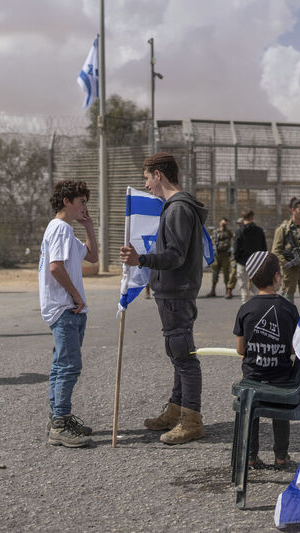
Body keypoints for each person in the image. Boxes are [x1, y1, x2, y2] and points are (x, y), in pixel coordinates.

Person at [119, 152, 209, 445]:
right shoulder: (174, 207)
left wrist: (141, 259)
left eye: (147, 178)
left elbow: (175, 256)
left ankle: (191, 420)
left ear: (158, 175)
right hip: (173, 292)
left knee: (184, 355)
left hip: (177, 292)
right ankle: (176, 409)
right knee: (177, 353)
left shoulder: (178, 209)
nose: (146, 185)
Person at [38, 180, 98, 447]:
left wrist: (88, 227)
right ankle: (60, 423)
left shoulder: (65, 231)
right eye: (81, 201)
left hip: (66, 308)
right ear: (67, 201)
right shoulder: (60, 228)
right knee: (69, 366)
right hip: (65, 308)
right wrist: (75, 295)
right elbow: (55, 268)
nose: (84, 207)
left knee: (60, 364)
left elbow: (93, 257)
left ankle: (58, 418)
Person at [233, 251, 300, 469]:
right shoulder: (289, 309)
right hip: (281, 381)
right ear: (277, 277)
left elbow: (241, 350)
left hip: (253, 379)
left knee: (250, 409)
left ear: (251, 279)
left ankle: (251, 456)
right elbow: (293, 348)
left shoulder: (245, 309)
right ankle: (281, 457)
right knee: (280, 413)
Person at [272, 197, 300, 309]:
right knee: (288, 298)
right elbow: (275, 251)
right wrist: (289, 262)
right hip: (290, 270)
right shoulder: (283, 229)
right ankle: (288, 322)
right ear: (293, 211)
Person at [233, 210, 267, 304]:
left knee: (244, 289)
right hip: (257, 262)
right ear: (252, 217)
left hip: (243, 262)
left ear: (243, 218)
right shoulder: (259, 231)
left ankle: (246, 309)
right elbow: (264, 248)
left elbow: (235, 249)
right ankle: (260, 309)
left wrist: (239, 260)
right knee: (257, 288)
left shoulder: (239, 232)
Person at [206, 217, 234, 299]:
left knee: (226, 273)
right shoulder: (215, 232)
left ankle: (227, 291)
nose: (224, 224)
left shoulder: (228, 232)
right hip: (217, 255)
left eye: (226, 223)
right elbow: (211, 241)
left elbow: (233, 238)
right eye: (223, 223)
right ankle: (213, 290)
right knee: (215, 273)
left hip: (225, 255)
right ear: (220, 223)